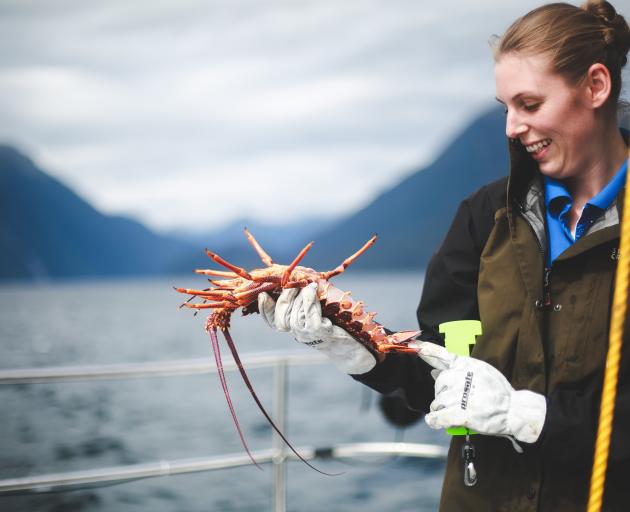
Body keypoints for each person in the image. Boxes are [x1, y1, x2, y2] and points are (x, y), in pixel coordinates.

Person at [257, 1, 630, 510]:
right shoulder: (483, 217)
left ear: (596, 86)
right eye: (506, 108)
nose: (512, 128)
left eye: (530, 104)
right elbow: (434, 367)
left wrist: (528, 416)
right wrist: (350, 343)